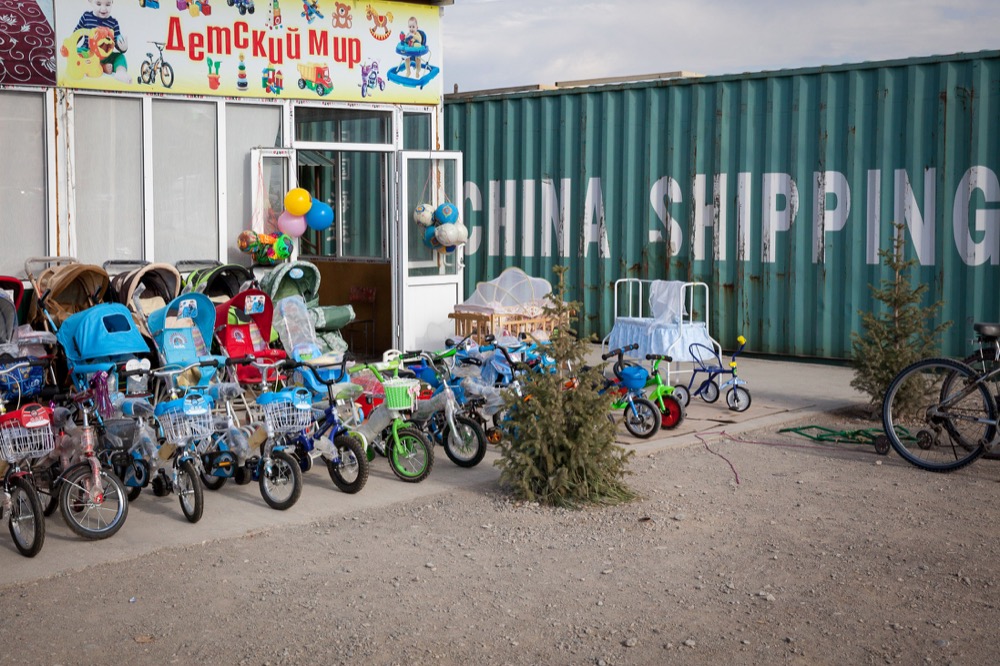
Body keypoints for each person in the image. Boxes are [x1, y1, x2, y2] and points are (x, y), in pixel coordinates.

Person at [75, 0, 130, 83]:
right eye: (98, 4)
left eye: (107, 4)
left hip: (105, 55)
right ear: (91, 1)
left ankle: (120, 72)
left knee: (120, 56)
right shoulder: (86, 17)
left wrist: (123, 48)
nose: (103, 9)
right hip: (88, 53)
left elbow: (116, 42)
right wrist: (71, 44)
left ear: (112, 2)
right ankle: (102, 67)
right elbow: (77, 33)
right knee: (76, 52)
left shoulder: (113, 22)